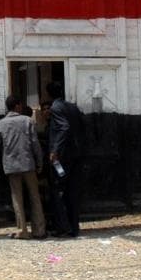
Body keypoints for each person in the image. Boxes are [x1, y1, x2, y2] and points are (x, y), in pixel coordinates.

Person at [0, 95, 46, 239]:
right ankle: (39, 230)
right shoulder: (28, 121)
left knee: (17, 198)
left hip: (11, 165)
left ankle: (22, 230)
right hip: (28, 163)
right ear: (17, 106)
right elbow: (35, 144)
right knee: (34, 196)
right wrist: (39, 162)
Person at [46, 81, 85, 237]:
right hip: (76, 155)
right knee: (72, 192)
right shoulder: (73, 107)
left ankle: (62, 227)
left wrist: (55, 151)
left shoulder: (55, 108)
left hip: (62, 158)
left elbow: (64, 127)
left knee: (57, 191)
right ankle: (74, 227)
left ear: (48, 94)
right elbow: (82, 126)